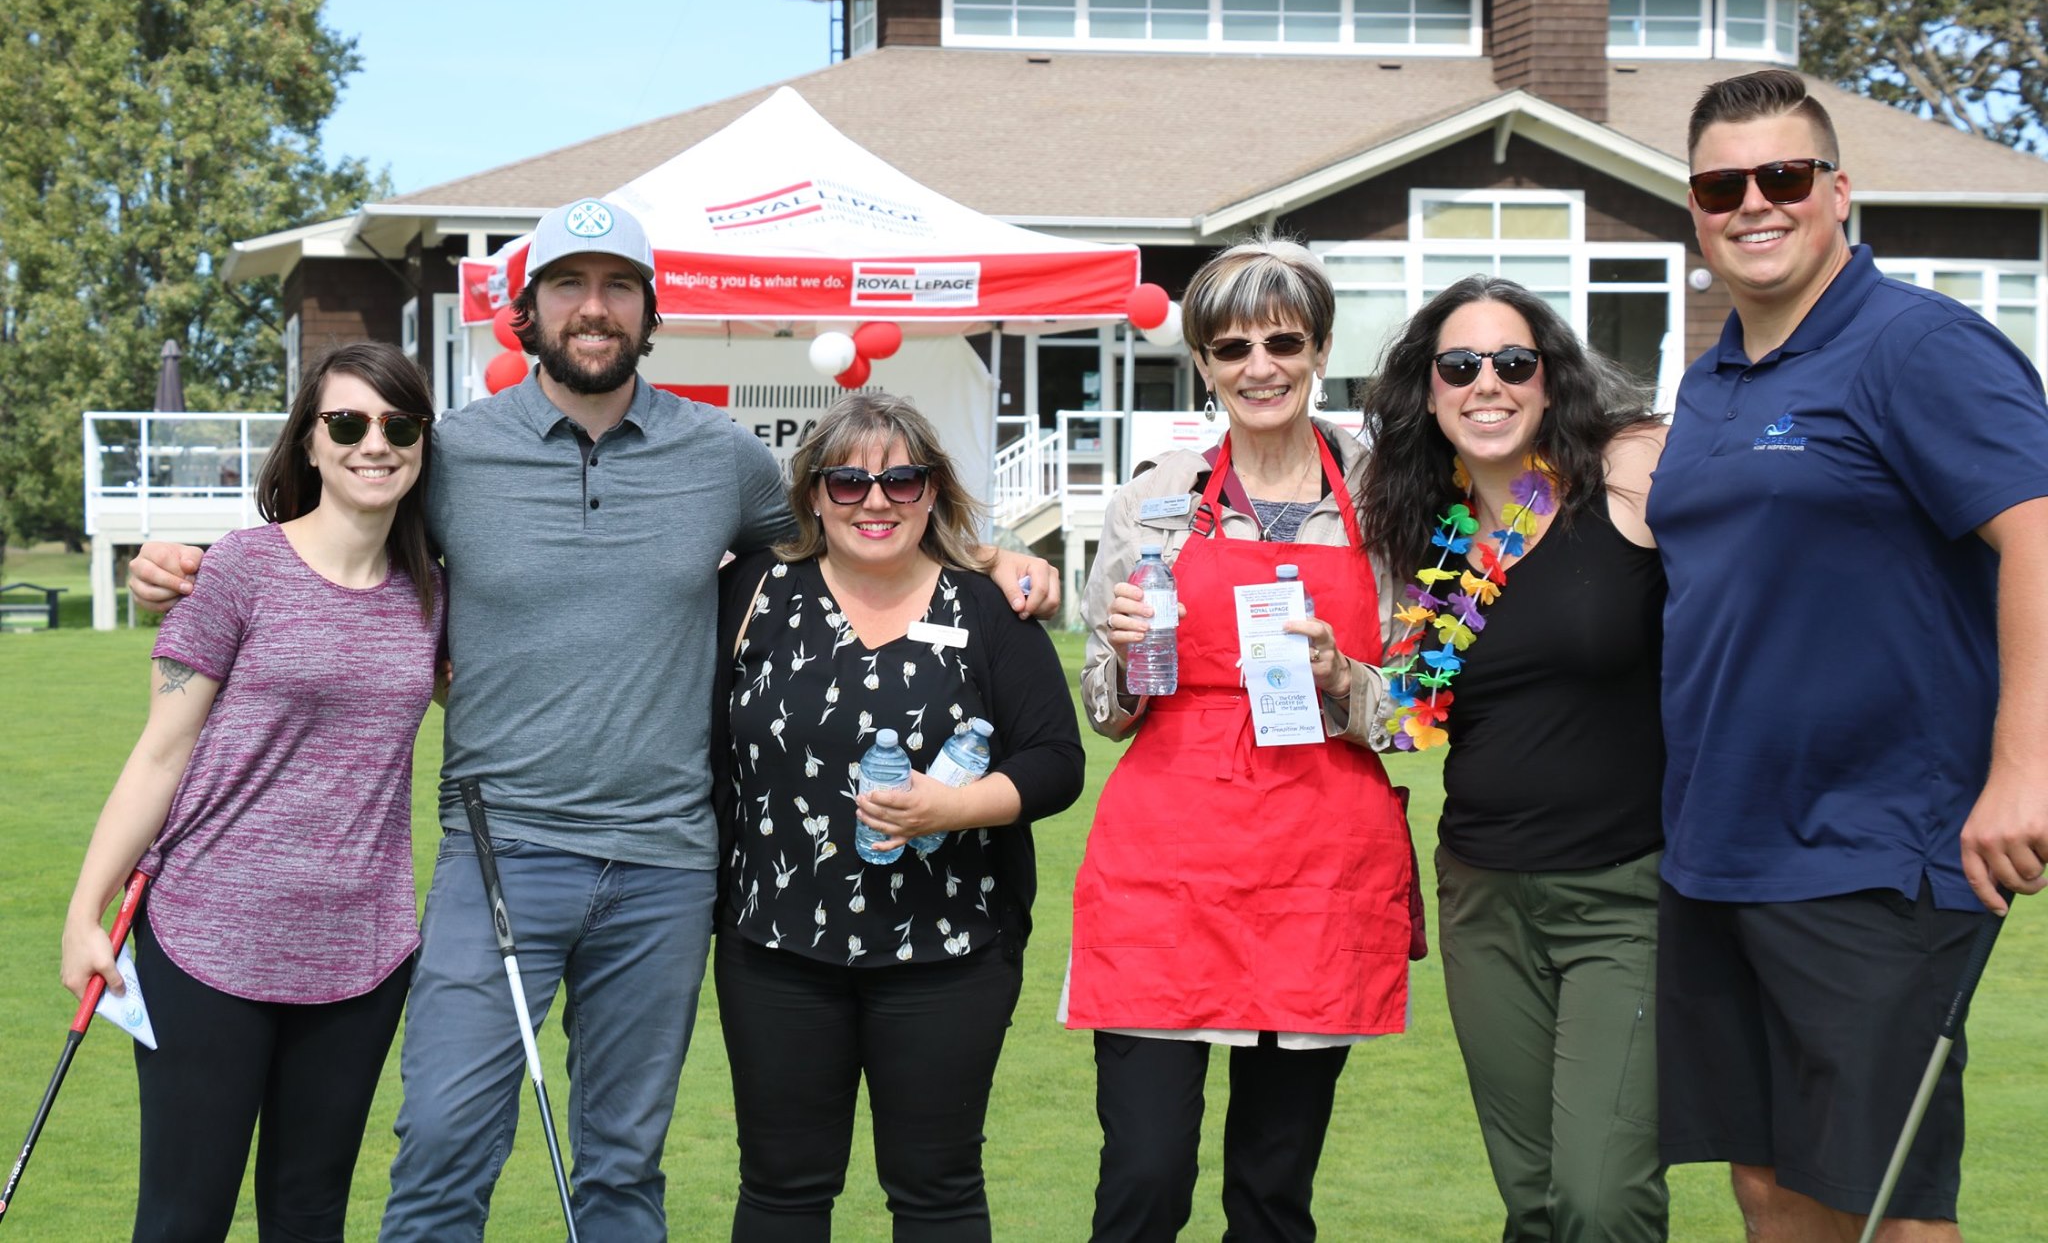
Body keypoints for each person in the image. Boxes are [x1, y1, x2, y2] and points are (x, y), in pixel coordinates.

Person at [125, 197, 1059, 1240]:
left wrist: (993, 557)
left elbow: (861, 525)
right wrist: (188, 558)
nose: (593, 307)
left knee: (619, 1169)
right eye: (568, 285)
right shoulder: (454, 453)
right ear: (526, 313)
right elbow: (332, 527)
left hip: (663, 869)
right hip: (500, 851)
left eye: (618, 286)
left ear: (649, 313)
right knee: (440, 1146)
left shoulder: (723, 458)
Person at [1651, 68, 2048, 1239]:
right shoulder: (1709, 379)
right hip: (1717, 848)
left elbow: (2035, 535)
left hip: (1873, 851)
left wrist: (2021, 772)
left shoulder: (1915, 346)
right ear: (1694, 207)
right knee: (1766, 1187)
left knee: (1878, 1202)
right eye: (1722, 185)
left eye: (1781, 177)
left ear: (1837, 192)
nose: (1752, 205)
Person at [1067, 237, 1415, 1243]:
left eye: (1281, 340)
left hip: (1318, 868)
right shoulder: (1148, 504)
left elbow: (1425, 713)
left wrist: (1343, 678)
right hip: (1164, 866)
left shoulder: (1392, 502)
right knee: (1142, 1180)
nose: (1257, 366)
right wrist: (1130, 662)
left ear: (1317, 350)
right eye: (1229, 348)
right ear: (1202, 364)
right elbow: (1102, 710)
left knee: (1270, 1195)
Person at [64, 343, 442, 1241]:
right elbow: (161, 752)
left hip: (364, 952)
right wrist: (86, 910)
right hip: (207, 942)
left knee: (310, 1215)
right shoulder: (238, 569)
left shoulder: (435, 592)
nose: (373, 444)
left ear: (423, 443)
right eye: (346, 424)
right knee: (184, 1216)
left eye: (399, 425)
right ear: (309, 442)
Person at [710, 392, 1084, 1241]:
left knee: (937, 1190)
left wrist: (952, 807)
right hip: (776, 947)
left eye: (901, 479)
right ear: (813, 494)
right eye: (847, 482)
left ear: (931, 491)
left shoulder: (987, 606)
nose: (875, 501)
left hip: (947, 953)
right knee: (780, 1187)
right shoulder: (754, 595)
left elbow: (1055, 761)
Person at [1358, 277, 1668, 1241]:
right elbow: (1409, 717)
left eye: (1513, 362)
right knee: (1533, 1203)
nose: (1486, 382)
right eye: (1460, 365)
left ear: (1548, 380)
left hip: (1626, 894)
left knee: (1600, 1197)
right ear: (1429, 390)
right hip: (1484, 899)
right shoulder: (1428, 540)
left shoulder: (1627, 477)